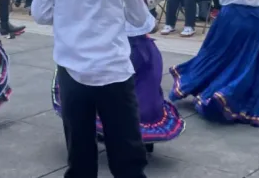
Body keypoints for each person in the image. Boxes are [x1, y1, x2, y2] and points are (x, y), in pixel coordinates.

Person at [32, 0, 149, 178]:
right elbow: (138, 17)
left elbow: (40, 13)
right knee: (127, 153)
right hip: (114, 68)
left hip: (72, 70)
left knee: (80, 155)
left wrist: (68, 14)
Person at [52, 11, 184, 153]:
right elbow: (152, 26)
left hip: (118, 49)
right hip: (143, 51)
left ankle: (112, 134)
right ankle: (137, 138)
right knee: (143, 92)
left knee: (103, 90)